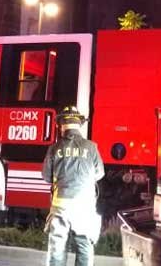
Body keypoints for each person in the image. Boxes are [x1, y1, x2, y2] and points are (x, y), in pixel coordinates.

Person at [42, 106, 104, 266]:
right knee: (84, 246)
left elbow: (46, 176)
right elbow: (99, 173)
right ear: (79, 125)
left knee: (57, 249)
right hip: (84, 206)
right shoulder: (91, 147)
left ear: (62, 126)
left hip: (60, 206)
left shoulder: (54, 148)